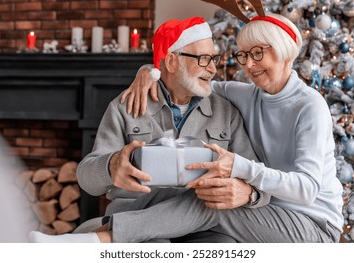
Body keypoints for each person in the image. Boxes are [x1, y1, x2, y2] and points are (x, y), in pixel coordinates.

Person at [29, 16, 269, 243]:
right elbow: (87, 179)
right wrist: (111, 166)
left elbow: (260, 178)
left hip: (203, 227)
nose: (213, 69)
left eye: (214, 59)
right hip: (135, 214)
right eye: (203, 59)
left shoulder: (226, 112)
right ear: (172, 61)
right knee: (154, 248)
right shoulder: (127, 106)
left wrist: (249, 193)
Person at [114, 13, 345, 243]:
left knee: (214, 204)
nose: (249, 65)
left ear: (283, 50)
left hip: (313, 224)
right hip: (264, 215)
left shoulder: (310, 106)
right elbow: (189, 78)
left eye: (257, 53)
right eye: (244, 55)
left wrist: (239, 166)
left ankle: (107, 235)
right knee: (212, 201)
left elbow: (307, 189)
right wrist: (149, 71)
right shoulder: (246, 94)